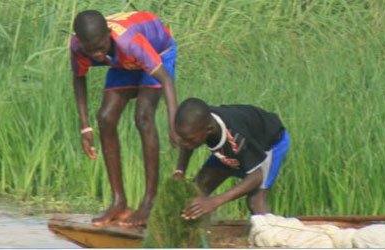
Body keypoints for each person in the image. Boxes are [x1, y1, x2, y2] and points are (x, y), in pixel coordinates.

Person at [69, 10, 180, 227]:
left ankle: (149, 203)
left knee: (143, 117)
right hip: (122, 61)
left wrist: (173, 123)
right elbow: (79, 78)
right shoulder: (78, 47)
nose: (98, 55)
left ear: (108, 34)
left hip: (157, 52)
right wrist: (85, 127)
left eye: (101, 47)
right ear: (79, 41)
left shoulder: (129, 42)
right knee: (105, 117)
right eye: (92, 51)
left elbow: (166, 80)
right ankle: (118, 202)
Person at [171, 98, 290, 220]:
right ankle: (197, 234)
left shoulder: (236, 137)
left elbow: (256, 177)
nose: (184, 143)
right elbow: (187, 144)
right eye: (182, 138)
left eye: (189, 139)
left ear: (209, 130)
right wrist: (180, 171)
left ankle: (270, 235)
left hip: (268, 144)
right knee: (197, 190)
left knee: (255, 201)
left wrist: (214, 202)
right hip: (230, 151)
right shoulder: (200, 123)